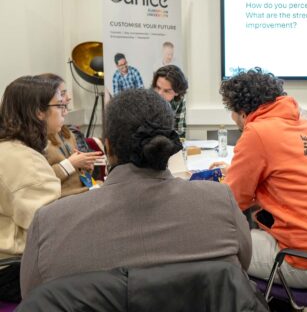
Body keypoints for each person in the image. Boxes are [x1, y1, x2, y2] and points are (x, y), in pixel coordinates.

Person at [20, 89, 251, 298]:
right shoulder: (220, 201)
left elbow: (35, 299)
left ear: (107, 148)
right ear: (168, 144)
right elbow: (240, 271)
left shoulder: (50, 223)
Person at [210, 68, 307, 289]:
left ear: (244, 112)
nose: (234, 119)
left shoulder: (257, 132)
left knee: (209, 242)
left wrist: (198, 192)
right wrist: (239, 171)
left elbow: (232, 201)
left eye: (233, 113)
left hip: (302, 262)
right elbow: (288, 178)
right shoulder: (302, 125)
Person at [0, 76, 61, 302]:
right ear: (38, 112)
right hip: (12, 271)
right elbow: (50, 231)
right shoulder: (24, 161)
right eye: (60, 105)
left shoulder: (8, 149)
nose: (65, 110)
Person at [36, 74, 103, 197]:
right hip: (67, 197)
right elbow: (40, 181)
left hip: (83, 190)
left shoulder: (68, 133)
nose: (68, 98)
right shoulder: (37, 141)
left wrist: (86, 165)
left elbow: (82, 175)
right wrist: (71, 163)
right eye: (62, 94)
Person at [152, 65, 188, 139]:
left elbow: (179, 132)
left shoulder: (179, 101)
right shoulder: (145, 101)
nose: (159, 94)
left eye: (166, 91)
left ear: (177, 92)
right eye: (158, 88)